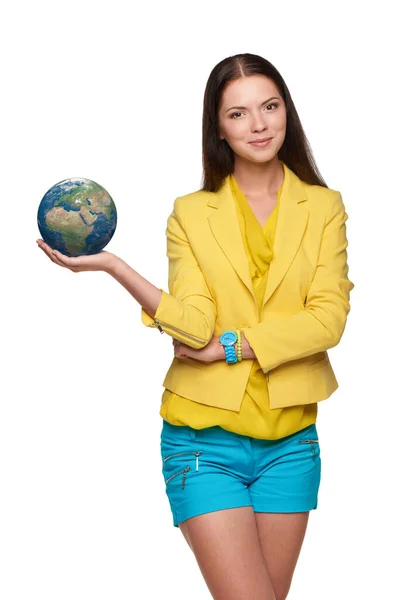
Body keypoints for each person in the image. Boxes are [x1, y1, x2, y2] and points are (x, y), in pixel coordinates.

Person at [37, 53, 355, 600]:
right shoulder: (191, 212)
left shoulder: (324, 207)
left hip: (292, 441)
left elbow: (328, 319)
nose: (258, 125)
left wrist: (232, 346)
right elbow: (195, 323)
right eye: (238, 114)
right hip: (203, 445)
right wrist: (115, 267)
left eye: (270, 107)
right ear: (219, 128)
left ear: (287, 113)